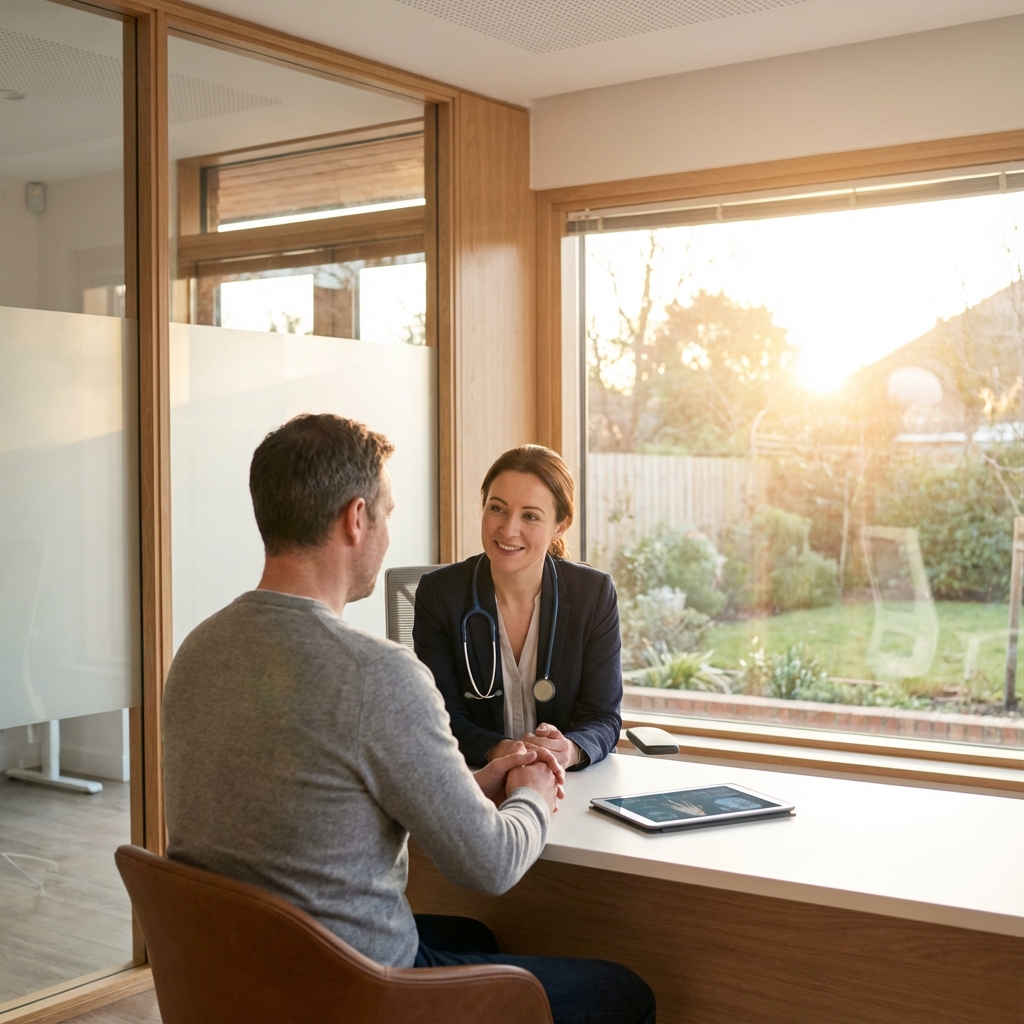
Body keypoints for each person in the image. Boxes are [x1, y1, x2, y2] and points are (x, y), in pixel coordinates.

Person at [162, 414, 655, 1024]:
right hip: (353, 991)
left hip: (234, 977)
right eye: (389, 514)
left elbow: (317, 801)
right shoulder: (377, 674)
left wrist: (469, 785)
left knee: (476, 935)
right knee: (624, 992)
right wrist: (530, 790)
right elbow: (491, 862)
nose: (390, 533)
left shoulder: (197, 651)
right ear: (356, 518)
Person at [414, 445, 623, 770]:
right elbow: (441, 717)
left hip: (568, 783)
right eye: (497, 508)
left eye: (530, 516)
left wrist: (568, 749)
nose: (508, 529)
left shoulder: (593, 594)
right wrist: (502, 751)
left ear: (560, 526)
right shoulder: (441, 594)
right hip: (476, 781)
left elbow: (603, 718)